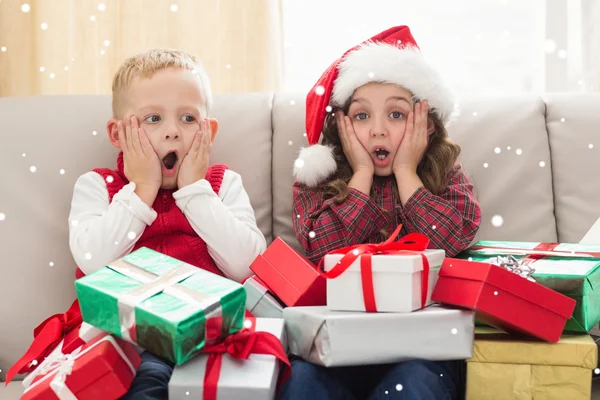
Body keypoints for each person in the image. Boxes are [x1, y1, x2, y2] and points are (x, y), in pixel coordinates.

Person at [282, 26, 482, 400]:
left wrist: (407, 173)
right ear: (340, 125)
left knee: (410, 389)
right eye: (361, 116)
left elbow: (451, 239)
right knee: (302, 387)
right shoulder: (317, 178)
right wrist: (360, 176)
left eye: (395, 114)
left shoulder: (445, 173)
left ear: (425, 122)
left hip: (419, 349)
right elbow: (323, 250)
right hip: (335, 349)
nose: (377, 131)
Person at [65, 49, 266, 399]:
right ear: (117, 133)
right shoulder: (98, 186)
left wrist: (194, 191)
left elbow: (246, 264)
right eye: (153, 119)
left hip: (209, 338)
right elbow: (93, 261)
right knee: (147, 381)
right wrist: (143, 189)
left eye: (188, 119)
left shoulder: (222, 185)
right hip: (130, 341)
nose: (173, 132)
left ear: (209, 130)